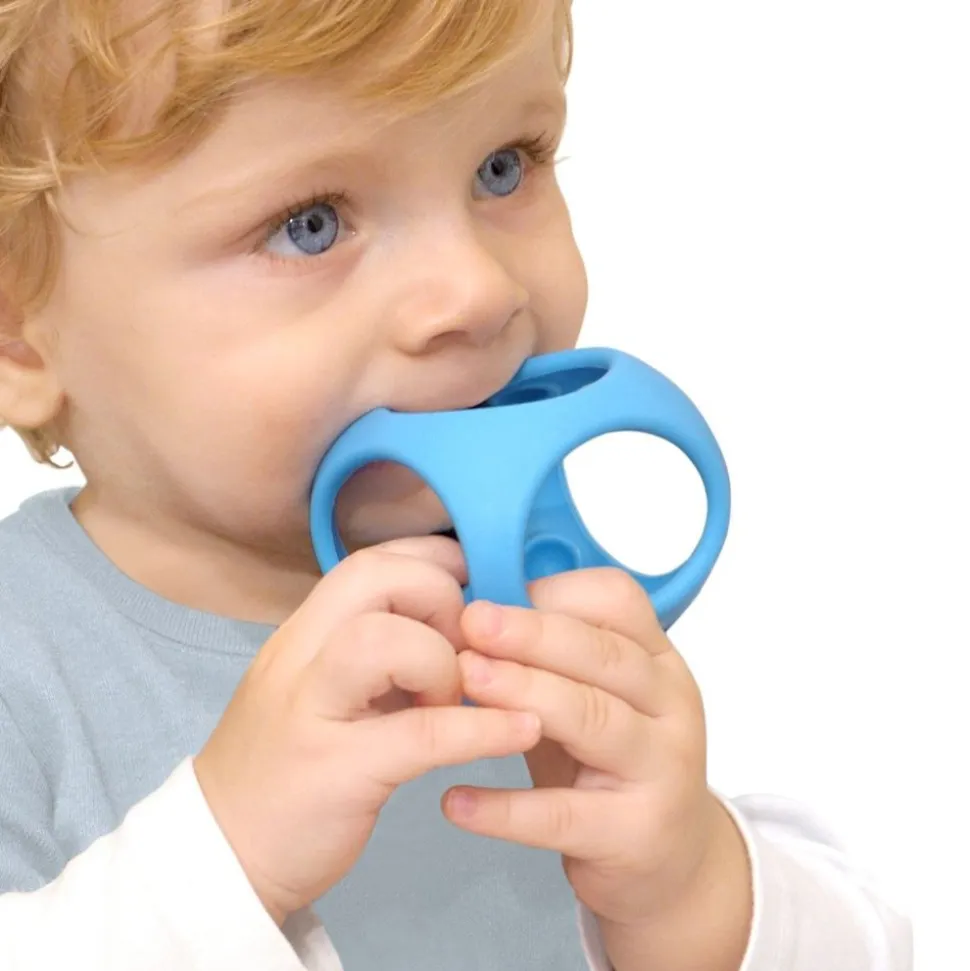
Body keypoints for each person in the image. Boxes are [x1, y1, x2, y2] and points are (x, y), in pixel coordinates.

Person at [0, 0, 911, 968]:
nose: (478, 289)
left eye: (502, 166)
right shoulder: (25, 655)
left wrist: (691, 895)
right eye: (310, 225)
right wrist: (219, 864)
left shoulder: (542, 585)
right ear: (20, 331)